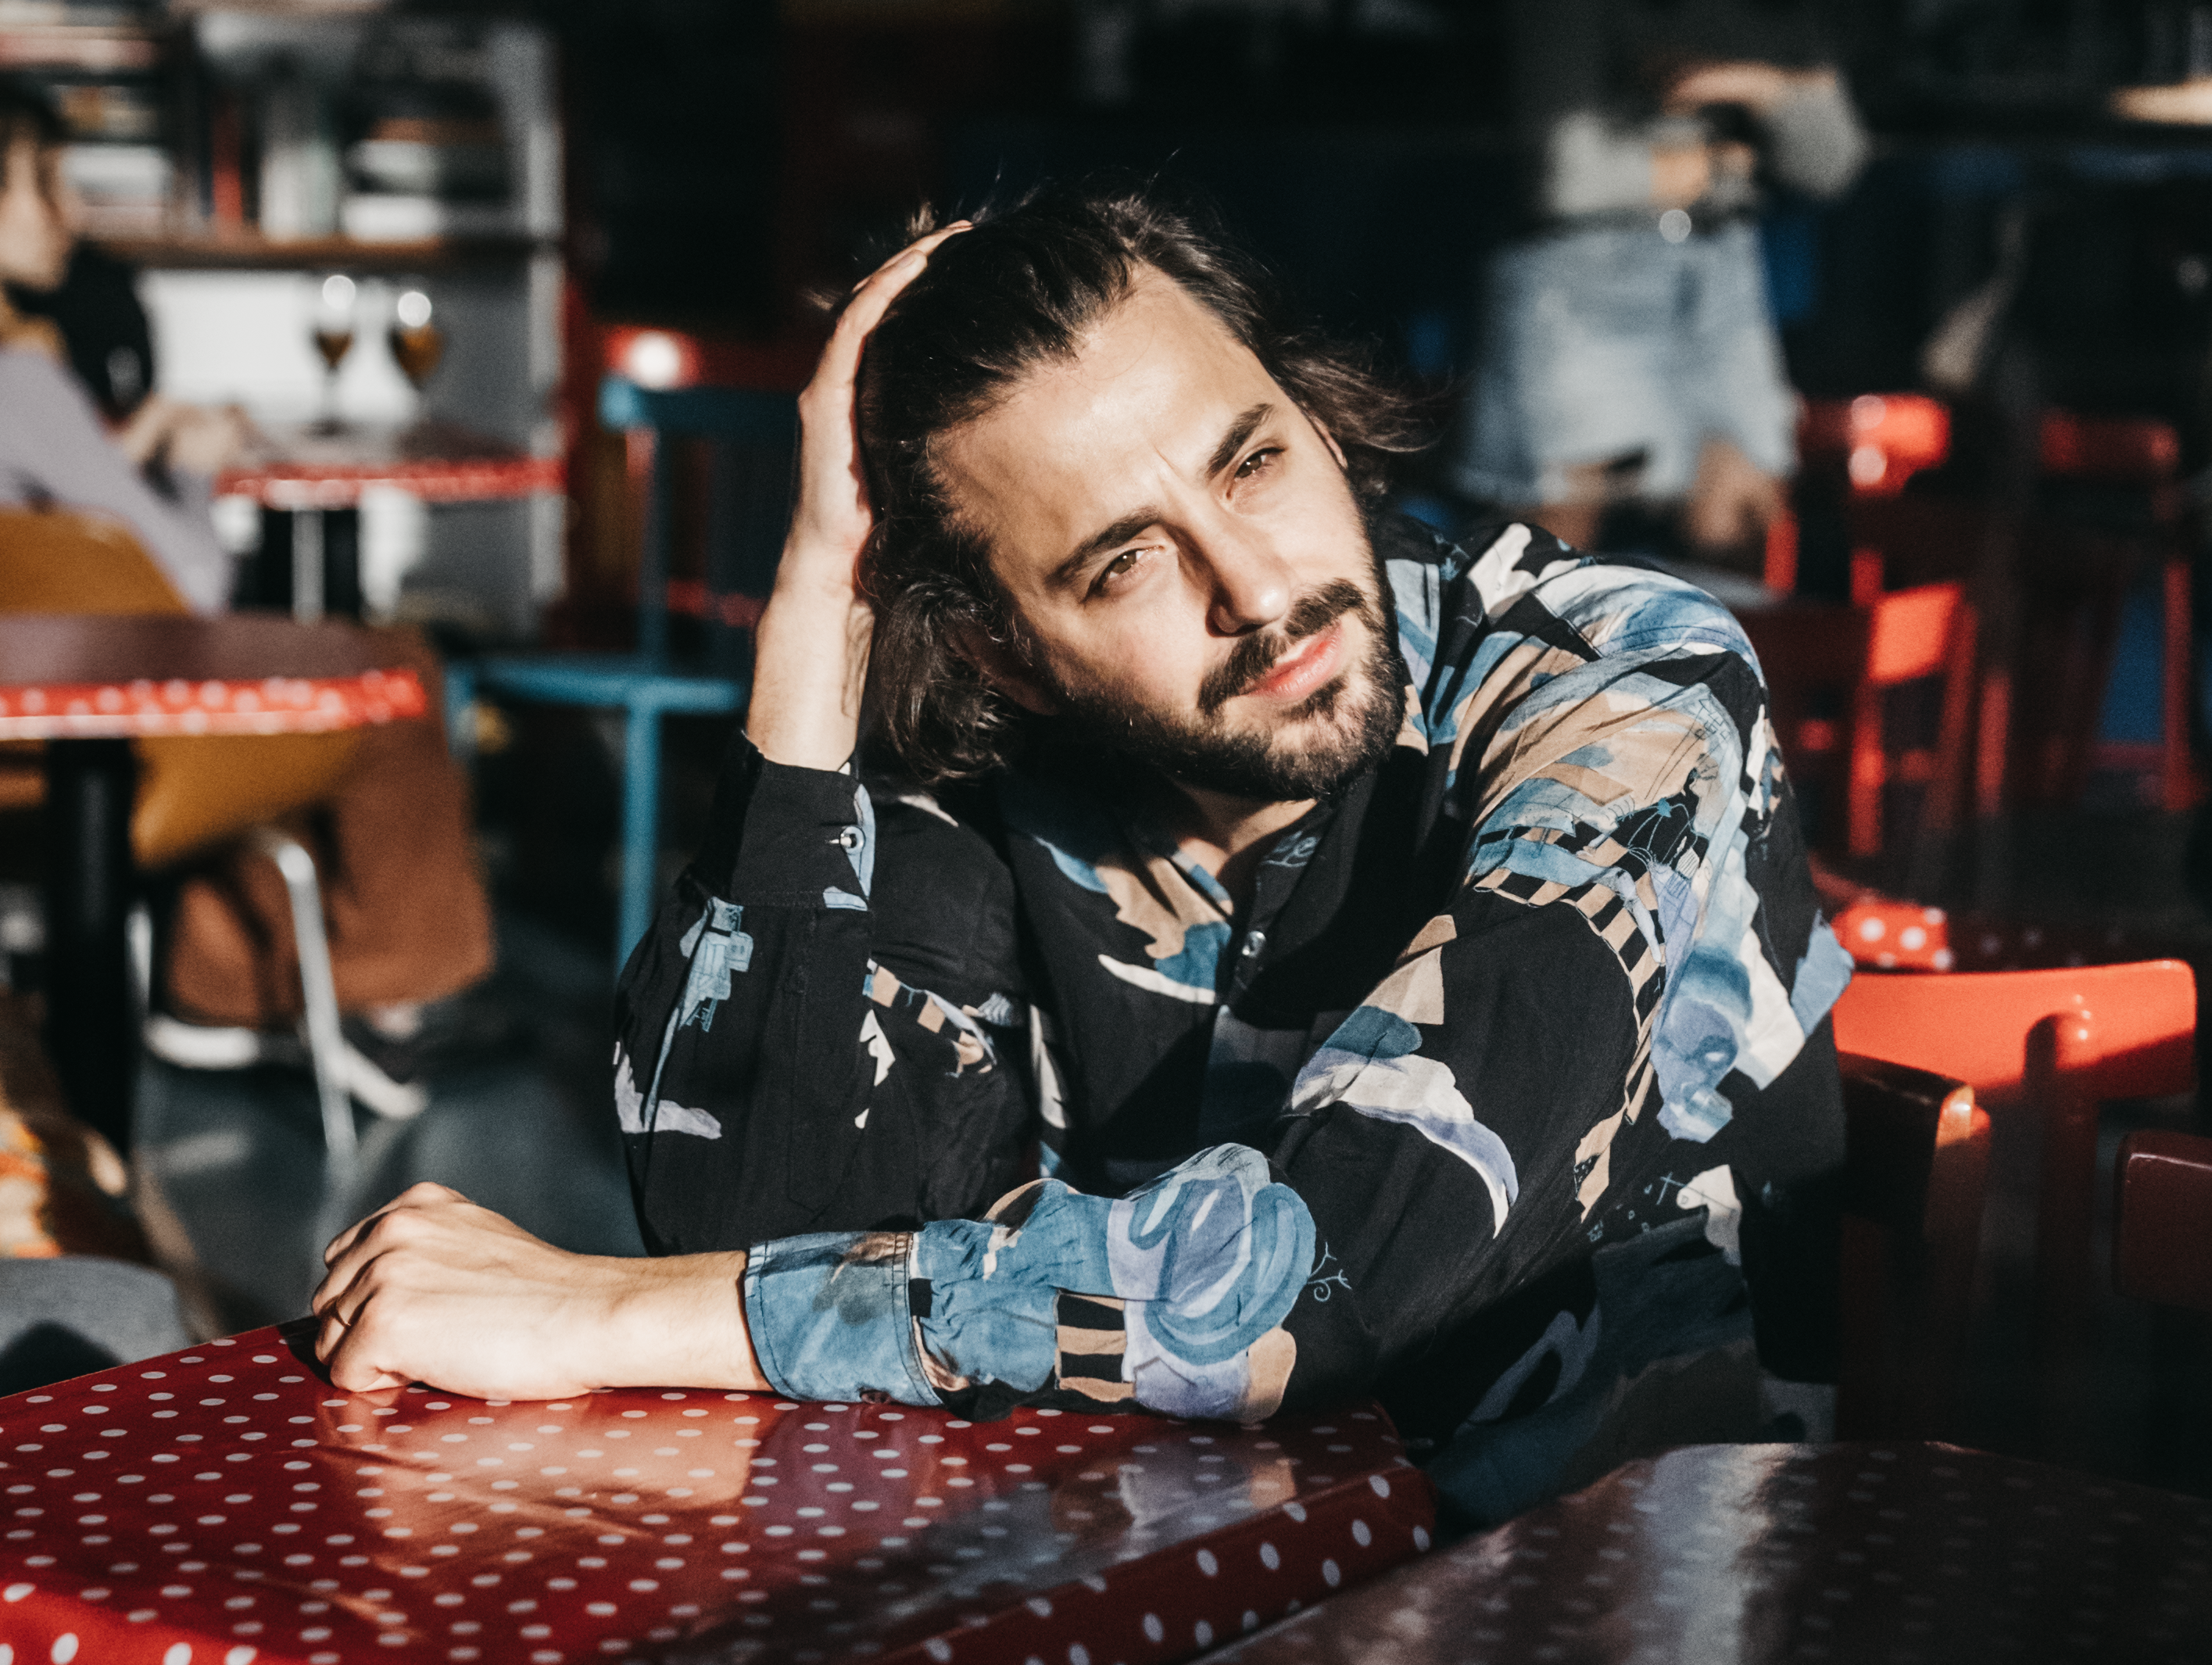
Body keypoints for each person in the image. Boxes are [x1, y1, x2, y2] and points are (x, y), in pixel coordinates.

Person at [313, 186, 1850, 1524]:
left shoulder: (1623, 693)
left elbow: (1316, 1279)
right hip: (1142, 1589)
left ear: (1310, 416)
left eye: (1249, 462)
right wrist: (811, 634)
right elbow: (753, 1225)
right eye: (1124, 560)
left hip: (1582, 1610)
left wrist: (597, 1317)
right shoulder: (1009, 773)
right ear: (1004, 649)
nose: (1254, 590)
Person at [0, 77, 495, 1093]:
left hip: (28, 722)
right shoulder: (21, 370)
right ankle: (364, 997)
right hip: (121, 736)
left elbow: (64, 536)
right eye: (46, 184)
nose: (75, 213)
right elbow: (192, 580)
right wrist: (193, 460)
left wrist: (124, 450)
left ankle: (226, 968)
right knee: (395, 667)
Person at [1453, 0, 1868, 563]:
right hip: (1583, 279)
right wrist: (1724, 166)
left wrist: (1761, 84)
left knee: (1739, 532)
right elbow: (1566, 177)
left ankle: (1704, 652)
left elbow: (1834, 163)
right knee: (1547, 559)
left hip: (1723, 273)